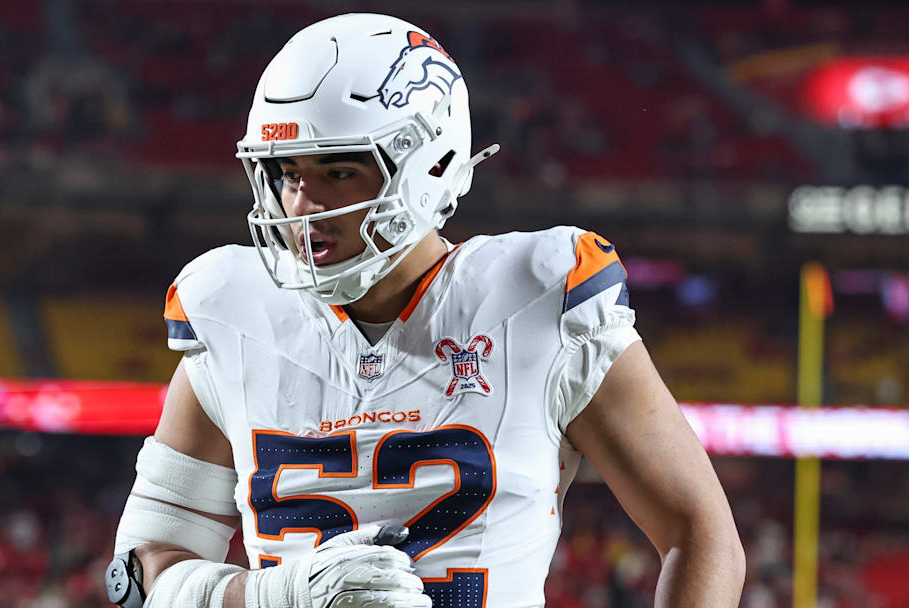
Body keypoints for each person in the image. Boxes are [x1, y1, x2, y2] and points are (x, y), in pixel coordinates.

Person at [107, 13, 745, 608]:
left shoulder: (542, 300)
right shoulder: (234, 313)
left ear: (429, 164)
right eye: (286, 173)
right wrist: (279, 596)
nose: (302, 205)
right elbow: (137, 574)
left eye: (338, 172)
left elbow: (700, 532)